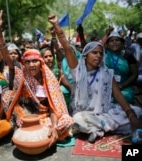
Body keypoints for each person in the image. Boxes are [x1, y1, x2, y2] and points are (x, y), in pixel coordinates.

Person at [49, 14, 142, 143]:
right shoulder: (78, 71)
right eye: (94, 53)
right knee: (78, 119)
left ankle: (97, 129)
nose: (98, 56)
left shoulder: (106, 73)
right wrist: (56, 26)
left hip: (104, 112)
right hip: (85, 113)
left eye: (100, 53)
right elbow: (68, 49)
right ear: (85, 56)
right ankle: (102, 127)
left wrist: (130, 114)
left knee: (137, 111)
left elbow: (118, 95)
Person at [0, 10, 74, 148]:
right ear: (24, 63)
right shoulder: (21, 73)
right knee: (7, 96)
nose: (31, 65)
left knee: (65, 121)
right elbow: (7, 57)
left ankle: (38, 133)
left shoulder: (48, 79)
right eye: (28, 62)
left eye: (35, 61)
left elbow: (53, 107)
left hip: (44, 116)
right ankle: (18, 129)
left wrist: (54, 126)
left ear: (40, 63)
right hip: (24, 113)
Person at [105, 31, 138, 104]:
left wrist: (120, 87)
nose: (114, 42)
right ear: (107, 45)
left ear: (122, 43)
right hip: (106, 87)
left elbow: (134, 74)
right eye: (111, 41)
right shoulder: (104, 56)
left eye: (117, 40)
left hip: (124, 87)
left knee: (124, 96)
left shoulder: (128, 56)